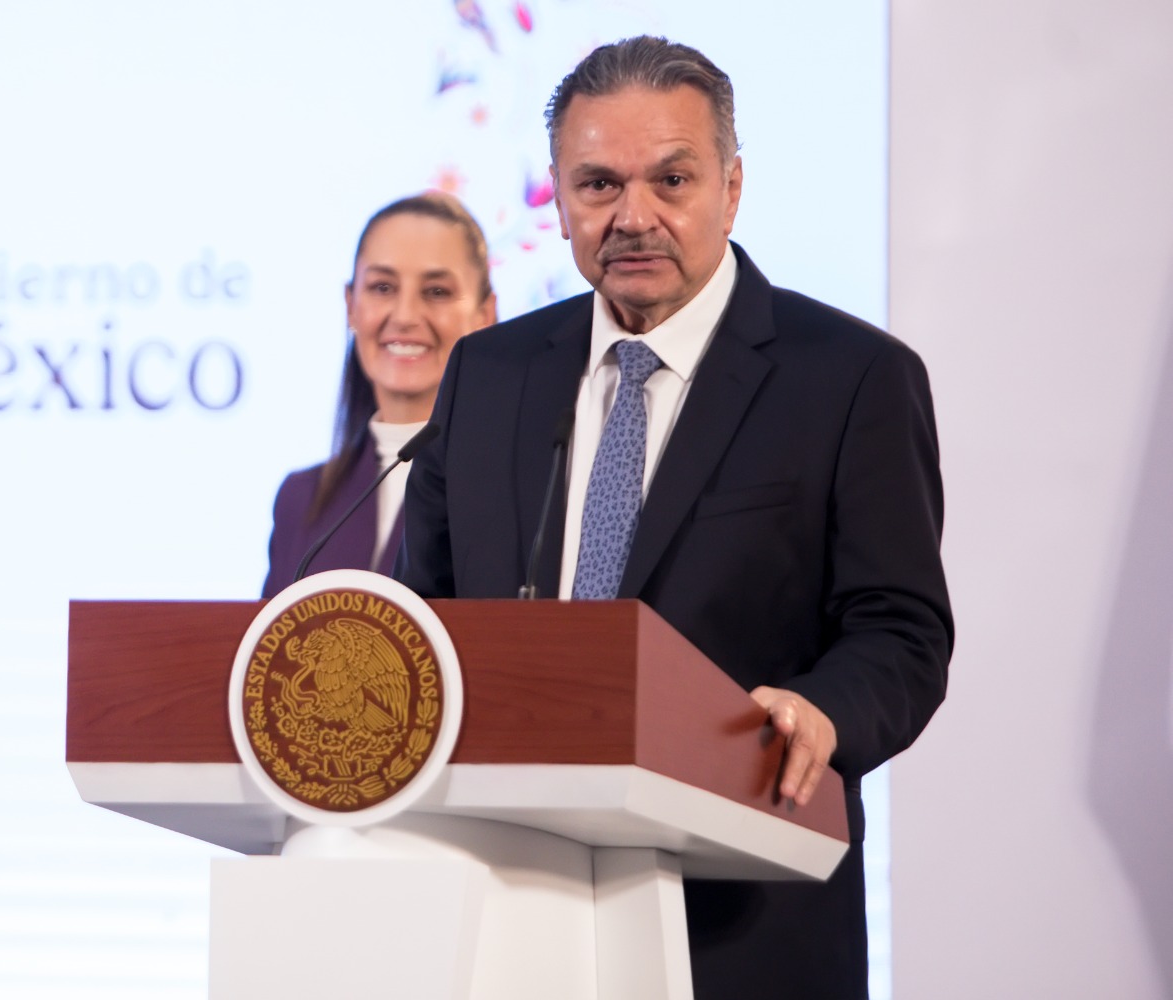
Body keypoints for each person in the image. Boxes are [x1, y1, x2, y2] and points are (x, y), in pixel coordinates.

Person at [396, 36, 952, 999]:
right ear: (558, 200)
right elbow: (429, 617)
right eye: (599, 185)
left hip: (745, 918)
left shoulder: (851, 378)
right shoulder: (490, 375)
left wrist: (823, 711)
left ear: (731, 189)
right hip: (510, 912)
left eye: (672, 180)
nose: (634, 216)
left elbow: (901, 633)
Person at [262, 193, 497, 597]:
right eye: (382, 287)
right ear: (350, 306)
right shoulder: (300, 500)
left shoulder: (517, 493)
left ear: (485, 314)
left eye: (436, 291)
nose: (404, 316)